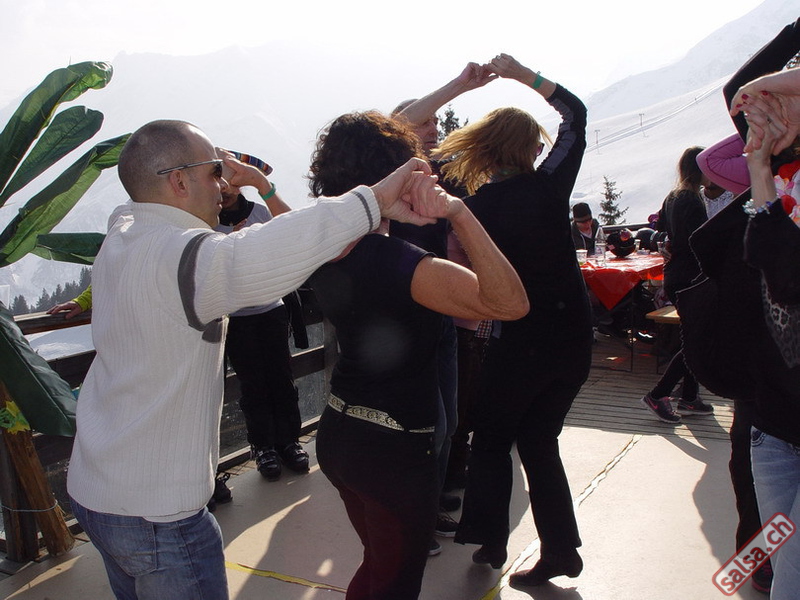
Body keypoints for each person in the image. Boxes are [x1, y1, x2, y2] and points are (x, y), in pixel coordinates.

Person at [65, 118, 446, 600]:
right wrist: (373, 201)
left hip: (96, 492)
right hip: (159, 516)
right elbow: (265, 252)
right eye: (213, 172)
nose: (223, 185)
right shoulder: (183, 258)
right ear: (178, 181)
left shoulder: (124, 229)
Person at [306, 110, 528, 600]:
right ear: (396, 176)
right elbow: (510, 303)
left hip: (340, 435)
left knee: (378, 565)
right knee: (395, 582)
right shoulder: (405, 266)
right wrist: (459, 213)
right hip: (394, 451)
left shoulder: (319, 246)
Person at [429, 54, 590, 587]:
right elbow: (576, 115)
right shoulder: (551, 186)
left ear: (486, 148)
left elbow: (415, 153)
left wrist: (456, 87)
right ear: (528, 149)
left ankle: (490, 541)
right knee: (540, 442)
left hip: (518, 340)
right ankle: (560, 551)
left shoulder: (475, 207)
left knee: (493, 439)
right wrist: (525, 75)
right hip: (573, 340)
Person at [392, 62, 497, 543]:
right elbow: (397, 123)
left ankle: (427, 502)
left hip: (438, 311)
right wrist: (458, 86)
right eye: (425, 122)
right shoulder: (389, 175)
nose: (433, 127)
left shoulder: (440, 177)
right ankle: (416, 516)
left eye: (436, 122)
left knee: (448, 419)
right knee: (427, 422)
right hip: (405, 313)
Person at [730, 63, 800, 600]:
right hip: (775, 423)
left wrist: (763, 85)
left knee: (793, 579)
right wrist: (759, 163)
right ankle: (750, 567)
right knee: (782, 571)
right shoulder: (784, 177)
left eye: (781, 99)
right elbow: (767, 260)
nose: (766, 112)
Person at [214, 150, 309, 481]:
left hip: (271, 309)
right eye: (218, 181)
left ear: (240, 183)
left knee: (282, 379)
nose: (224, 189)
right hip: (235, 317)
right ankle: (263, 447)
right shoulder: (206, 221)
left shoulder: (260, 213)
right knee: (253, 385)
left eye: (229, 181)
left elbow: (286, 243)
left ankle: (289, 442)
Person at [640, 147, 714, 423]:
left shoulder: (674, 196)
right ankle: (659, 394)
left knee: (693, 337)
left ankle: (690, 397)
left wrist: (664, 245)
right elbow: (696, 242)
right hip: (691, 278)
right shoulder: (692, 200)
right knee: (697, 341)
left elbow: (659, 230)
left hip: (676, 275)